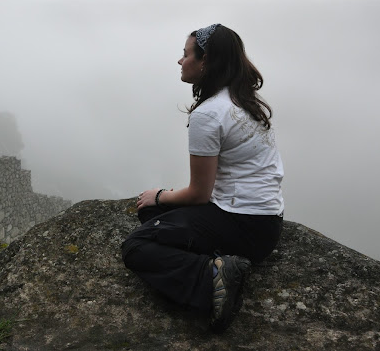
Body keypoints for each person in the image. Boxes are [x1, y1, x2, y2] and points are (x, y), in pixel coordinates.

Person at [121, 24, 284, 333]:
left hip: (243, 223)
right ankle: (219, 259)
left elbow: (199, 194)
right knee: (152, 214)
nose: (180, 61)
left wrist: (160, 195)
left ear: (205, 61)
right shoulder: (244, 101)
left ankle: (212, 277)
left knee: (137, 246)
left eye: (186, 55)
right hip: (265, 223)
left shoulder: (208, 114)